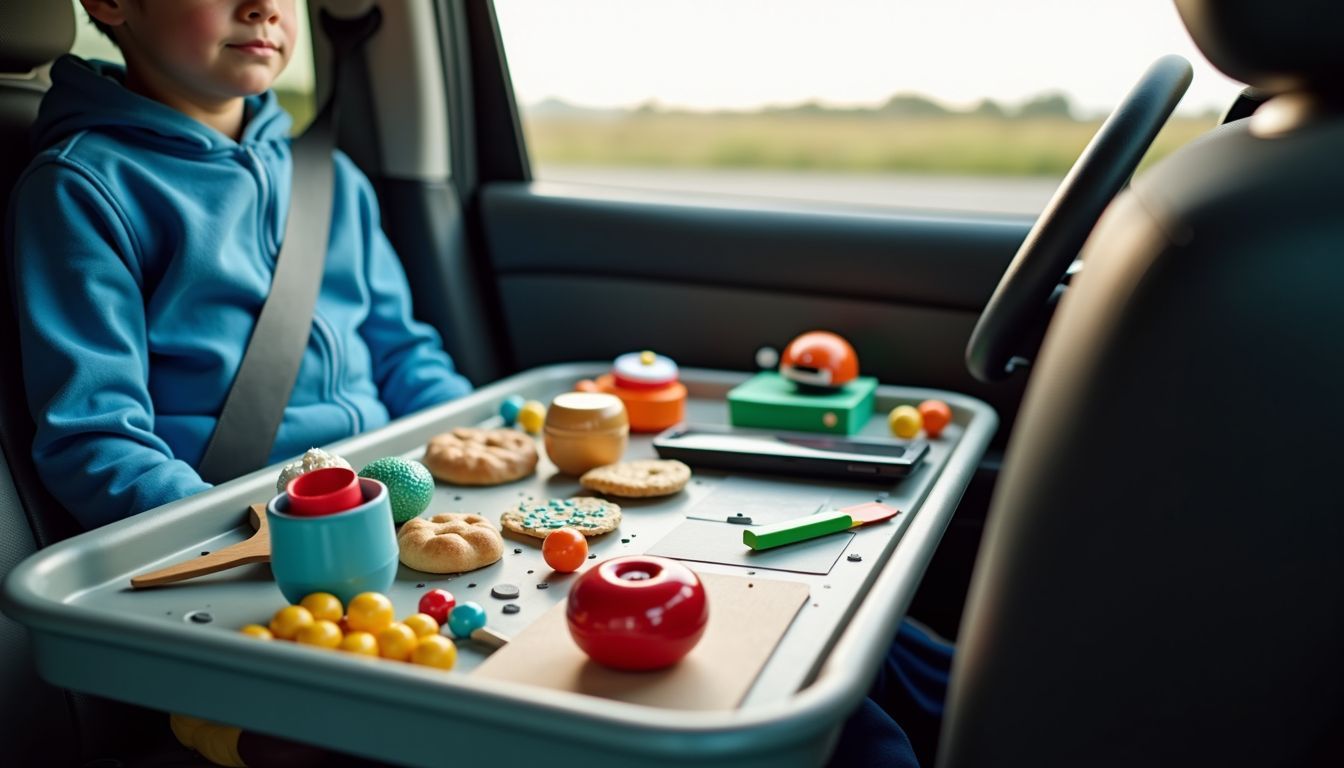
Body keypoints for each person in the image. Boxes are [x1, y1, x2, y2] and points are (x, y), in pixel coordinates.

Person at [5, 0, 471, 530]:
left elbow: (403, 353)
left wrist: (468, 434)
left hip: (388, 501)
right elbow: (96, 437)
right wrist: (236, 532)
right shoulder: (83, 189)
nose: (265, 8)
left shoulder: (332, 179)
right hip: (237, 522)